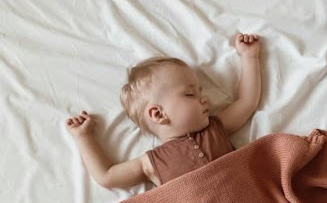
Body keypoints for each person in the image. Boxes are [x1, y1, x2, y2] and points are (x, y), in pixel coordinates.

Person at [65, 32, 261, 188]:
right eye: (190, 94)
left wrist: (249, 57)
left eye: (199, 92)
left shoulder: (216, 129)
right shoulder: (151, 163)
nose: (204, 99)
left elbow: (246, 102)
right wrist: (84, 137)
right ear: (158, 114)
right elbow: (107, 176)